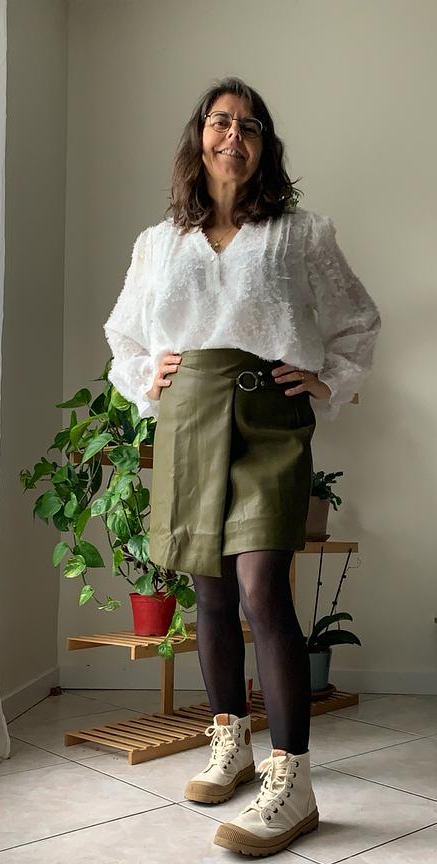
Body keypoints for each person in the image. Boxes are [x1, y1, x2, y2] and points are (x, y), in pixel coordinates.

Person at [103, 76, 381, 858]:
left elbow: (358, 319)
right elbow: (124, 333)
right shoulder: (159, 242)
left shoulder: (302, 234)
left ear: (265, 147)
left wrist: (328, 379)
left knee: (262, 587)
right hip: (189, 419)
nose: (234, 135)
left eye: (250, 125)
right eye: (221, 121)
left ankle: (294, 782)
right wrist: (147, 373)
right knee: (211, 593)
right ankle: (231, 741)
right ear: (200, 137)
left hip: (268, 420)